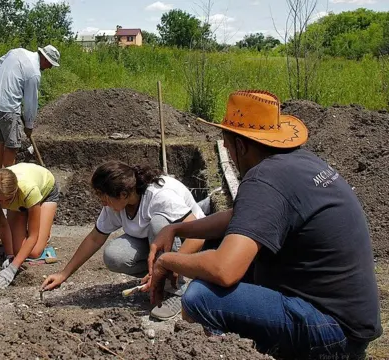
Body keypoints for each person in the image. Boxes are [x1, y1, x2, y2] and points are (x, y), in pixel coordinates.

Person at [146, 90, 382, 359]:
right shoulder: (299, 162)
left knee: (200, 297)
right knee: (222, 247)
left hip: (332, 333)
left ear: (241, 146)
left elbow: (225, 270)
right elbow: (241, 217)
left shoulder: (264, 178)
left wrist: (167, 261)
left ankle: (236, 352)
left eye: (226, 144)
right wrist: (176, 228)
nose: (228, 152)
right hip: (350, 321)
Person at [41, 161, 205, 320]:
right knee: (115, 256)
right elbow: (95, 238)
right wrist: (63, 274)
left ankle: (176, 288)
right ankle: (158, 279)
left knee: (158, 224)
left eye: (103, 196)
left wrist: (169, 264)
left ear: (124, 194)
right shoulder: (115, 205)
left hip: (186, 240)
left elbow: (199, 234)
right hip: (152, 242)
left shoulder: (160, 196)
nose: (102, 202)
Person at [0, 162, 59, 289]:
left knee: (34, 252)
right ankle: (24, 216)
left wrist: (12, 269)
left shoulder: (29, 190)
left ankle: (44, 233)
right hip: (19, 203)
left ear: (15, 191)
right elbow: (2, 224)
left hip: (45, 191)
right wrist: (10, 256)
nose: (4, 205)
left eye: (7, 200)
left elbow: (33, 235)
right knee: (18, 252)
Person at [0, 45, 60, 169]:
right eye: (50, 64)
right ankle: (7, 181)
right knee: (12, 146)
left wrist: (8, 81)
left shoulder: (17, 52)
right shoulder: (34, 74)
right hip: (7, 106)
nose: (49, 68)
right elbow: (31, 103)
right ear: (45, 59)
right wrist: (29, 125)